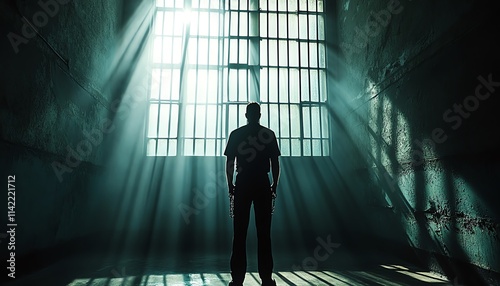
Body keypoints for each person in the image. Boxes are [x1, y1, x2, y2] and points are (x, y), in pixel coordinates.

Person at [224, 102, 280, 286]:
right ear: (260, 115)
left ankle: (237, 278)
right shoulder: (268, 134)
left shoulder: (236, 134)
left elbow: (230, 163)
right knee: (264, 233)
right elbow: (275, 163)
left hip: (243, 182)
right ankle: (266, 278)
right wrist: (274, 184)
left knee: (239, 232)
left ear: (246, 114)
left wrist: (230, 184)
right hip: (262, 183)